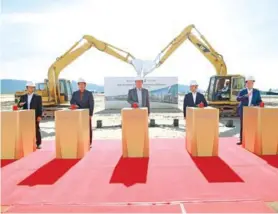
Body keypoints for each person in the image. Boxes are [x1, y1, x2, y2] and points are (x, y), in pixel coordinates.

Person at [236, 75, 262, 145]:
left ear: (253, 83)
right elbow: (238, 99)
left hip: (252, 111)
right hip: (243, 110)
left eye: (251, 83)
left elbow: (259, 100)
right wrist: (246, 96)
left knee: (252, 125)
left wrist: (259, 103)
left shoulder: (257, 91)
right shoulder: (242, 91)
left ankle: (251, 140)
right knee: (243, 125)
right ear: (246, 83)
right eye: (248, 83)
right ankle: (241, 140)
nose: (250, 84)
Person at [18, 81, 42, 149]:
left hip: (35, 115)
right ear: (27, 88)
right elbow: (19, 105)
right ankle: (27, 143)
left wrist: (39, 116)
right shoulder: (23, 97)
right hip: (25, 115)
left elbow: (40, 107)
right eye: (30, 87)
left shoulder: (38, 97)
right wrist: (20, 104)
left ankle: (38, 143)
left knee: (36, 129)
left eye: (32, 87)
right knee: (26, 129)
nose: (31, 89)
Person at [70, 78, 94, 147]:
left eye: (82, 84)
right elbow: (72, 102)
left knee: (88, 128)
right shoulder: (75, 93)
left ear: (85, 85)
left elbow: (91, 104)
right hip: (78, 114)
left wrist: (90, 114)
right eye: (80, 84)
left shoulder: (89, 94)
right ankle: (79, 142)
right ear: (78, 85)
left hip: (86, 114)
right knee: (79, 128)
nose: (81, 86)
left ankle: (89, 143)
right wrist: (74, 105)